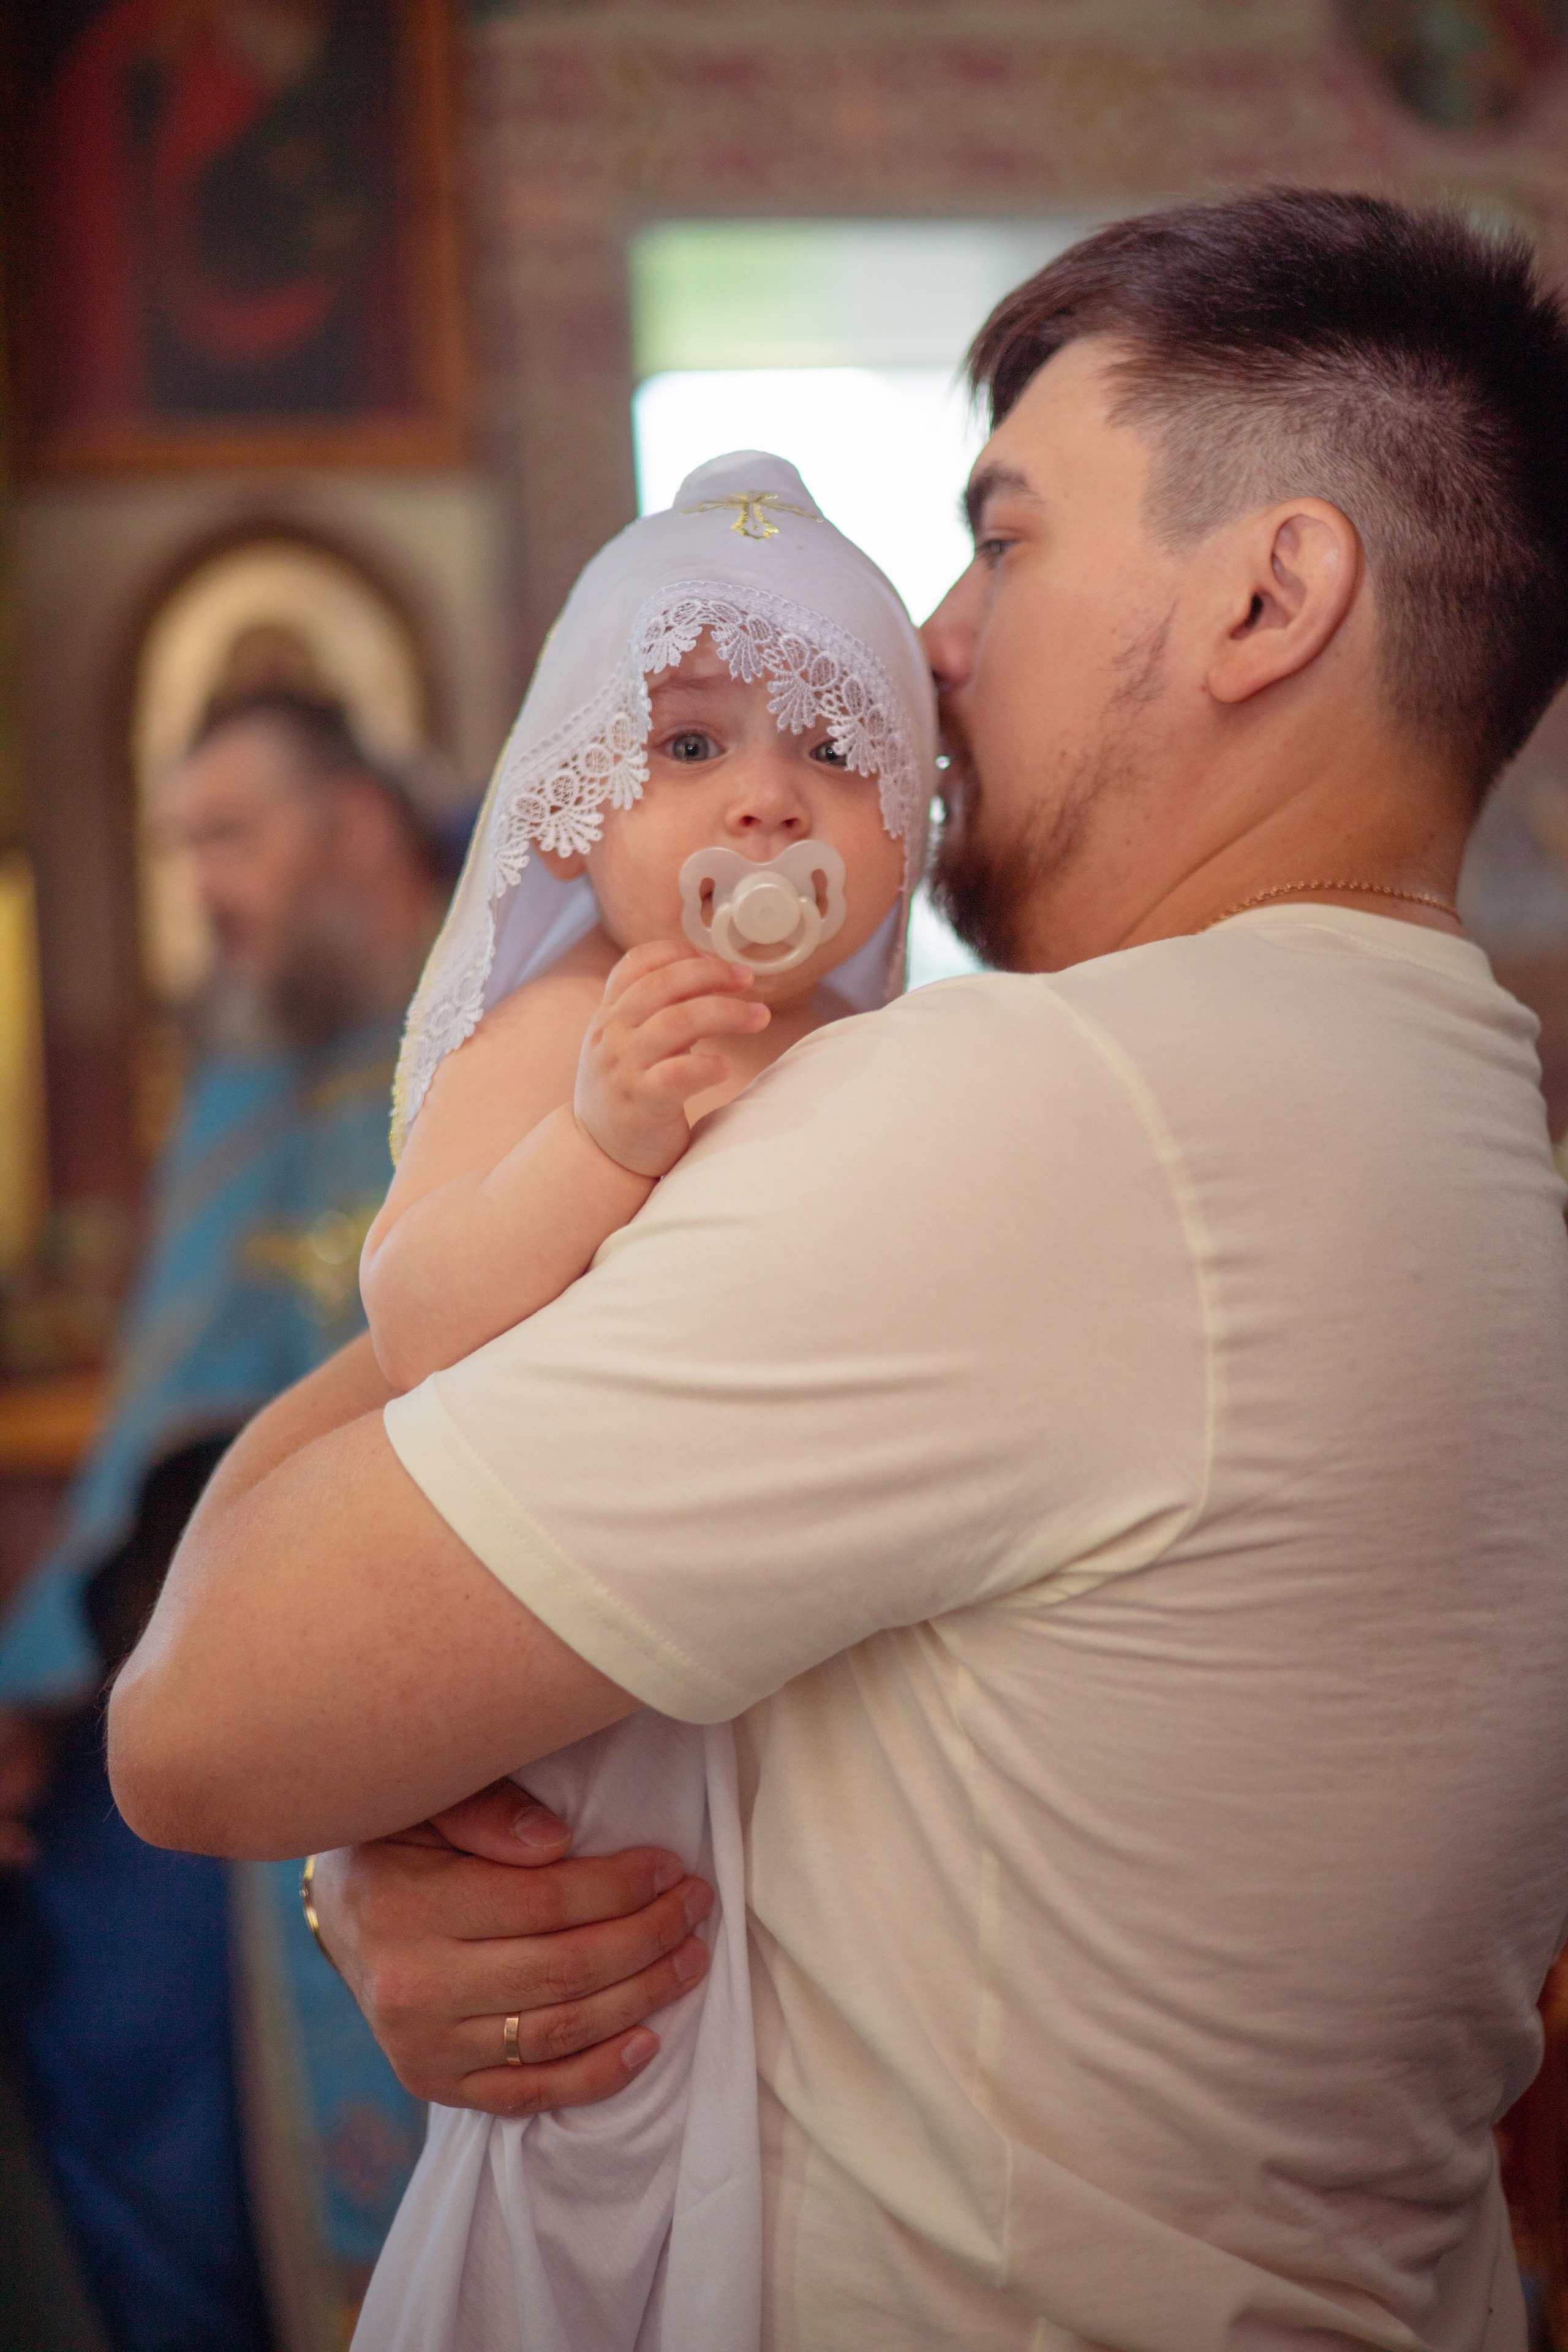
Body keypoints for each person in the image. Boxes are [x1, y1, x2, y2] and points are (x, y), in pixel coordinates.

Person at [110, 189, 1568, 2352]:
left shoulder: (1055, 1118)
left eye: (1006, 538)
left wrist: (593, 1170)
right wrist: (443, 1870)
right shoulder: (1466, 1110)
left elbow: (204, 1725)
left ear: (1273, 596)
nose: (939, 646)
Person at [352, 451, 932, 2350]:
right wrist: (596, 1146)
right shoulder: (557, 1027)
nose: (766, 792)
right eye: (689, 745)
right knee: (615, 2100)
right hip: (590, 1686)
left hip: (808, 1689)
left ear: (910, 817)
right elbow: (412, 1312)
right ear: (577, 801)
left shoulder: (880, 1056)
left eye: (834, 749)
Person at [0, 692, 447, 2350]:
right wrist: (44, 1683)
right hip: (226, 1647)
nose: (205, 887)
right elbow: (170, 1413)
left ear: (354, 828)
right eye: (184, 843)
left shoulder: (523, 1024)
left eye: (230, 835)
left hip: (444, 1654)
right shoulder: (254, 1055)